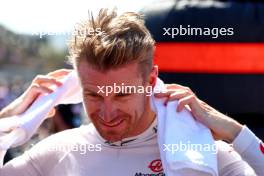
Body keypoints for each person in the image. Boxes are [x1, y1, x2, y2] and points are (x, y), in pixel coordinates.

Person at [0, 9, 263, 176]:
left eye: (122, 94)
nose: (107, 113)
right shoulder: (59, 152)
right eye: (93, 95)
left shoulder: (198, 152)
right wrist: (6, 122)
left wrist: (235, 132)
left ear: (150, 81)